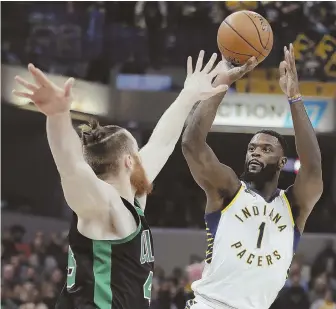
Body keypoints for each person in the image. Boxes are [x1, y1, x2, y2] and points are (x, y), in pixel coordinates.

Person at [12, 50, 232, 309]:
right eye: (138, 151)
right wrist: (58, 117)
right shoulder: (103, 206)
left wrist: (189, 94)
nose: (143, 155)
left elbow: (162, 142)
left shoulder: (132, 198)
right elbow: (71, 167)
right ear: (129, 161)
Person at [182, 44, 323, 309]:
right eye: (251, 148)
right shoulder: (229, 190)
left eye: (266, 149)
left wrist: (294, 97)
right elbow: (192, 144)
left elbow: (313, 168)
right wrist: (223, 82)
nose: (256, 152)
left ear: (282, 162)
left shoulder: (293, 206)